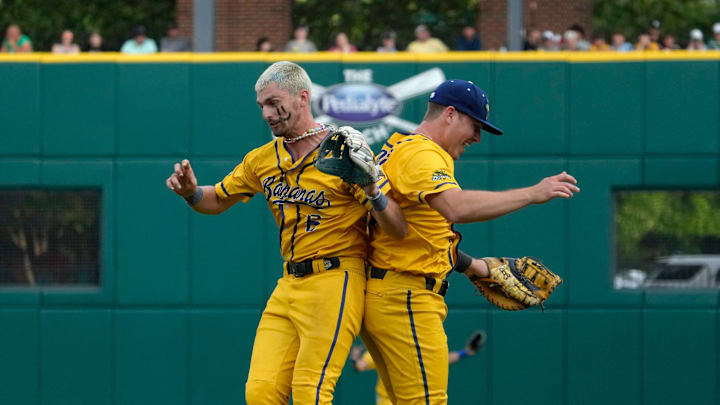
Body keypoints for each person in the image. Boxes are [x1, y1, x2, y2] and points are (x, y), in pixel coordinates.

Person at [165, 61, 406, 405]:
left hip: (335, 278)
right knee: (261, 392)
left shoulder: (343, 152)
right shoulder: (262, 159)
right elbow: (216, 199)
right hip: (289, 284)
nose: (265, 113)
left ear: (302, 97)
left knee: (311, 392)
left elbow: (397, 229)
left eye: (273, 102)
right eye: (261, 105)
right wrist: (190, 192)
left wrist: (371, 189)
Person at [356, 79, 579, 404]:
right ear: (450, 114)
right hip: (405, 299)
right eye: (475, 126)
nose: (477, 137)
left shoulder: (400, 147)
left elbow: (420, 233)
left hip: (391, 292)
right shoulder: (422, 154)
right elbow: (454, 207)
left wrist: (472, 265)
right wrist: (532, 193)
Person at [350, 331, 486, 405]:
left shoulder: (415, 349)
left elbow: (443, 360)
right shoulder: (386, 350)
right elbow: (360, 366)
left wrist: (465, 352)